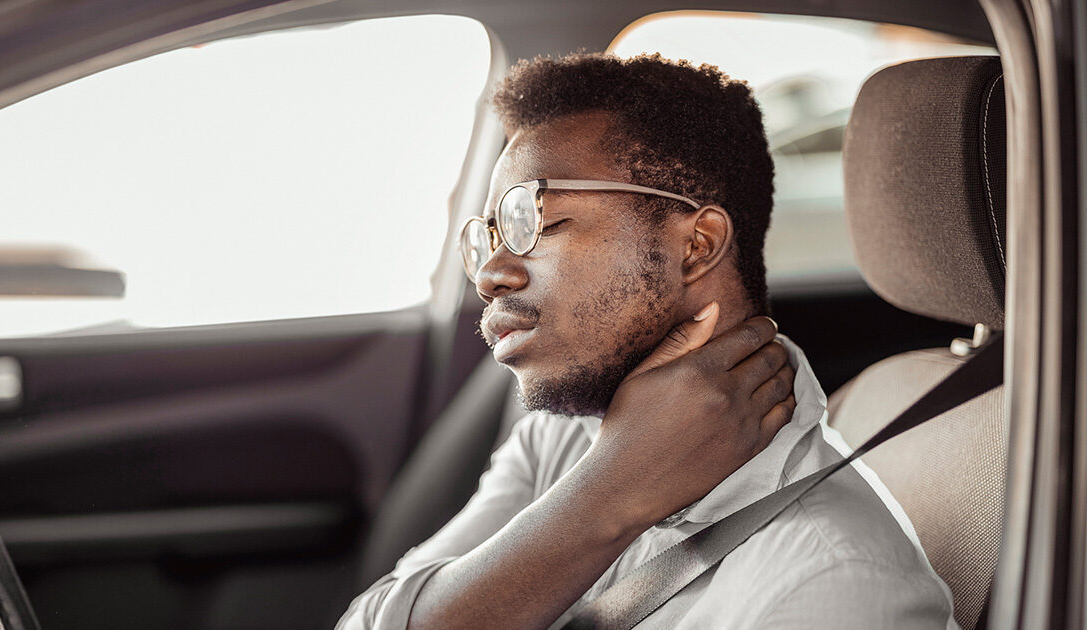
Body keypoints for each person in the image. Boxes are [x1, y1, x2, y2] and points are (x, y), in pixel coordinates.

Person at [339, 53, 957, 629]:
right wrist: (612, 488)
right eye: (489, 235)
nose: (490, 273)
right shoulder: (564, 435)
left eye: (534, 221)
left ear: (696, 244)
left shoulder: (834, 585)